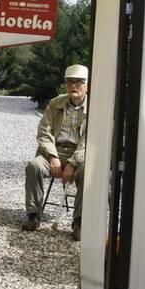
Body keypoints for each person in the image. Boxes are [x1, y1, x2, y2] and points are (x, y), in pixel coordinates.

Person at [22, 64, 88, 240]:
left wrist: (73, 163)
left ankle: (80, 221)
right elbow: (43, 132)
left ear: (87, 85)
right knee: (33, 166)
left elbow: (90, 140)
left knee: (88, 174)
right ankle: (33, 214)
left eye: (79, 82)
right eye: (70, 82)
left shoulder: (95, 108)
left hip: (79, 155)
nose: (74, 86)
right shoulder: (55, 103)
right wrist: (53, 156)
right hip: (54, 151)